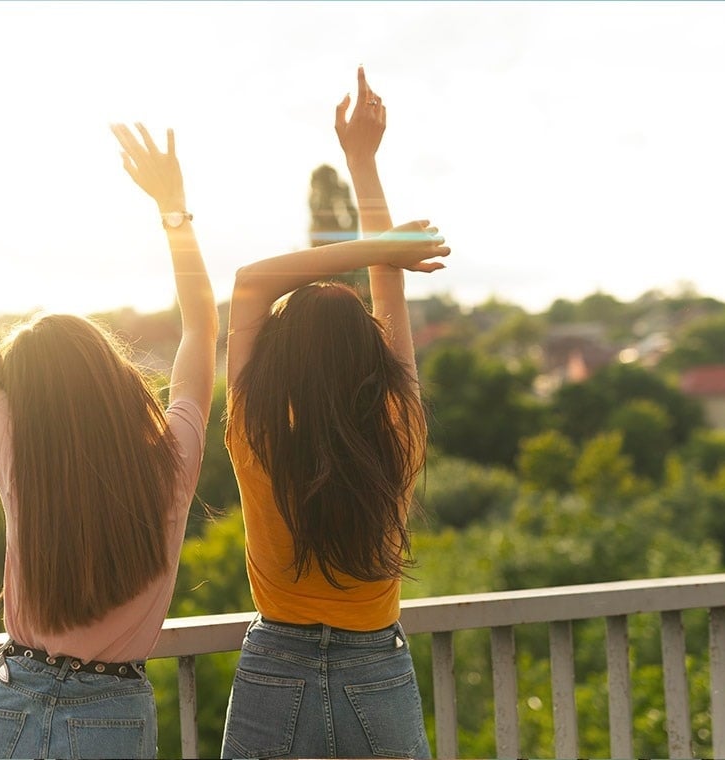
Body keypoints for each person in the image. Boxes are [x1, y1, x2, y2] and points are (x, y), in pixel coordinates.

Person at [0, 120, 217, 759]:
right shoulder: (172, 460)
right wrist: (173, 210)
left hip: (10, 702)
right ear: (113, 376)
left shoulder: (17, 449)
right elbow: (201, 329)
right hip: (112, 715)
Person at [220, 67, 448, 759]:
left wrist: (385, 248)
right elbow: (390, 296)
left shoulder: (253, 430)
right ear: (371, 360)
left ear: (281, 361)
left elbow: (251, 281)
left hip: (273, 672)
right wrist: (364, 164)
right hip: (376, 671)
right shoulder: (398, 427)